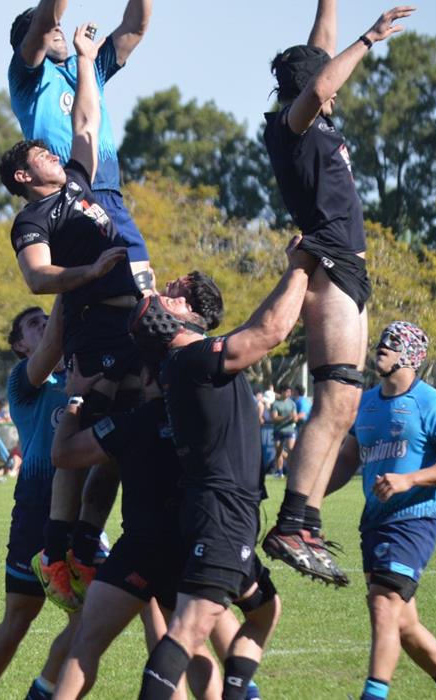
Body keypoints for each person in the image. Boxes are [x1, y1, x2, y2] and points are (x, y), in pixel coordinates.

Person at [259, 0, 416, 585]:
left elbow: (320, 55)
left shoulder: (315, 118)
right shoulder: (290, 126)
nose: (333, 85)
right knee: (337, 395)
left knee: (343, 403)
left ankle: (305, 519)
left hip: (343, 262)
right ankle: (294, 520)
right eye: (322, 81)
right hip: (329, 259)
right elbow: (324, 74)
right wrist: (372, 37)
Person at [133, 235, 312, 700]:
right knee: (190, 630)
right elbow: (271, 330)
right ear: (180, 318)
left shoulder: (186, 362)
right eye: (166, 297)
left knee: (264, 612)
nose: (166, 292)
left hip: (222, 510)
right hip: (221, 512)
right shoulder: (192, 360)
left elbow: (256, 327)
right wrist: (300, 267)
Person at [2, 17, 132, 611]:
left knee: (122, 431)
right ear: (25, 176)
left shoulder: (78, 184)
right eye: (40, 154)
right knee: (90, 427)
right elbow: (38, 277)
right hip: (94, 321)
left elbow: (86, 120)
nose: (55, 154)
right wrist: (91, 273)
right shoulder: (33, 221)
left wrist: (84, 57)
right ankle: (57, 552)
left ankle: (80, 543)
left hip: (122, 313)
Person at [48, 363, 266, 700]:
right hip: (192, 546)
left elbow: (63, 454)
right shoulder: (202, 420)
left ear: (148, 378)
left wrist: (76, 397)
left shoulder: (132, 422)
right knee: (190, 647)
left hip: (140, 549)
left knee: (86, 645)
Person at [323, 321, 436, 700]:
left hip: (412, 522)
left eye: (391, 343)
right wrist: (309, 498)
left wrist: (410, 480)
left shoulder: (432, 404)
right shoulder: (368, 402)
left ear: (410, 354)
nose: (381, 347)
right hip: (374, 523)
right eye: (381, 341)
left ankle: (373, 696)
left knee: (383, 604)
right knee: (404, 625)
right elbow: (346, 459)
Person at [9, 0, 155, 284]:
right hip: (65, 200)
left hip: (108, 193)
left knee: (141, 289)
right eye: (50, 26)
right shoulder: (27, 79)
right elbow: (44, 22)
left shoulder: (86, 63)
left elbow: (134, 28)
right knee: (89, 295)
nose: (58, 28)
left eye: (61, 24)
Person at [0, 303, 77, 700]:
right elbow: (49, 350)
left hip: (82, 515)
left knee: (91, 617)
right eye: (34, 325)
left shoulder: (82, 373)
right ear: (19, 345)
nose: (45, 325)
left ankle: (43, 691)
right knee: (18, 619)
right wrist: (67, 289)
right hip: (37, 510)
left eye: (46, 321)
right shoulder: (24, 380)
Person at [269, 386, 297, 479]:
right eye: (287, 392)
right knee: (279, 451)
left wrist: (294, 418)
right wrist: (286, 417)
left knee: (291, 450)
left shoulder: (292, 403)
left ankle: (293, 471)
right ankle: (279, 472)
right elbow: (274, 418)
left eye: (290, 392)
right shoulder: (276, 404)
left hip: (290, 430)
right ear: (282, 392)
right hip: (278, 430)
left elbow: (295, 417)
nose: (289, 394)